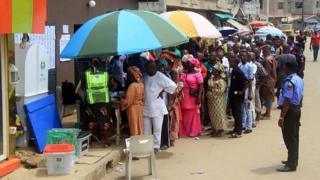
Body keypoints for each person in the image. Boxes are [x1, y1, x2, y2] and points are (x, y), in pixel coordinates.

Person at [143, 61, 177, 151]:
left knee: (157, 129)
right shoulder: (145, 76)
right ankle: (147, 146)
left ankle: (156, 146)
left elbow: (173, 86)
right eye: (147, 68)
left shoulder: (160, 76)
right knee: (146, 129)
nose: (149, 69)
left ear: (154, 68)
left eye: (151, 67)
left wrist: (163, 90)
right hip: (146, 106)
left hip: (157, 107)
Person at [277, 61, 304, 172]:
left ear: (288, 68)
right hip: (296, 109)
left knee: (289, 137)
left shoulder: (289, 82)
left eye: (285, 67)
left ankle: (291, 164)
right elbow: (301, 96)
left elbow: (287, 100)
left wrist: (282, 117)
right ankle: (292, 160)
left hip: (290, 110)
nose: (284, 69)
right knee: (294, 136)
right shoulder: (299, 79)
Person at [179, 57, 203, 137]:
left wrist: (199, 97)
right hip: (184, 95)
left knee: (193, 113)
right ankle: (186, 130)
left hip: (192, 96)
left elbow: (200, 86)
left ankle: (194, 131)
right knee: (184, 113)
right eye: (187, 62)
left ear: (193, 65)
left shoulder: (197, 74)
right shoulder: (183, 73)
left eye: (188, 63)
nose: (187, 64)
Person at [228, 55, 249, 138]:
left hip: (237, 96)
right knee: (234, 112)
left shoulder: (238, 71)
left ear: (235, 63)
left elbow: (247, 82)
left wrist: (241, 91)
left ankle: (238, 132)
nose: (230, 63)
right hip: (233, 95)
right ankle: (236, 129)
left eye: (231, 62)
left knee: (237, 113)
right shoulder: (234, 70)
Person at [121, 66, 144, 136]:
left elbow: (128, 101)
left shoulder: (132, 86)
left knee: (134, 126)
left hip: (133, 109)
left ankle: (135, 142)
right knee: (140, 126)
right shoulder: (141, 84)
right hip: (140, 107)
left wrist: (122, 100)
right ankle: (140, 141)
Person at [206, 63, 227, 137]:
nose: (212, 71)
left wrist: (212, 91)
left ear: (218, 72)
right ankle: (214, 128)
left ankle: (220, 130)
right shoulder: (211, 79)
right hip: (211, 99)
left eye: (214, 70)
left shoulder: (221, 81)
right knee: (212, 114)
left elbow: (221, 90)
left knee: (219, 114)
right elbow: (208, 87)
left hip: (218, 100)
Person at [239, 50, 254, 134]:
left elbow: (250, 81)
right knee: (243, 109)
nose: (242, 57)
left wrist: (250, 93)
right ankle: (243, 125)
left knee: (248, 108)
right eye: (240, 56)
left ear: (247, 57)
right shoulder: (240, 66)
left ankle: (249, 126)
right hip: (242, 89)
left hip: (247, 89)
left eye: (243, 56)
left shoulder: (249, 66)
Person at [260, 45, 277, 119]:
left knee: (268, 97)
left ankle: (268, 114)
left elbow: (266, 73)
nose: (262, 52)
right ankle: (267, 112)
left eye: (263, 50)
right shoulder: (272, 57)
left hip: (268, 80)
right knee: (268, 96)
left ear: (266, 50)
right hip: (272, 79)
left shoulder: (267, 60)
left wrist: (261, 82)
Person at [168, 71, 184, 146]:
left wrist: (174, 103)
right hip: (166, 105)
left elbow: (181, 97)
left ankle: (172, 139)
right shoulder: (167, 84)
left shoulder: (179, 85)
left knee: (173, 122)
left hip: (174, 106)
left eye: (175, 74)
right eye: (172, 74)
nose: (174, 76)